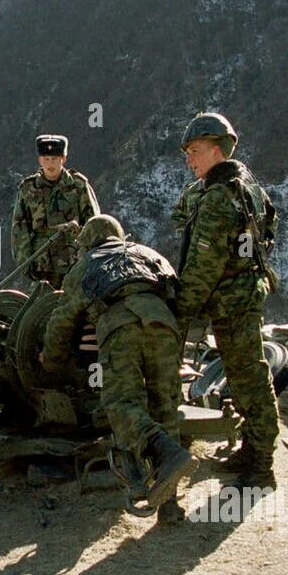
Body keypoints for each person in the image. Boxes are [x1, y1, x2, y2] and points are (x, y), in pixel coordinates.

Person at [40, 214, 196, 517]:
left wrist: (52, 359)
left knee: (122, 403)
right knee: (165, 406)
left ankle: (166, 452)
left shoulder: (86, 266)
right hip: (165, 328)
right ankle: (170, 505)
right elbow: (180, 297)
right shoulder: (149, 255)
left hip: (120, 331)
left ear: (87, 243)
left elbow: (63, 319)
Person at [173, 112, 281, 490]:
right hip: (244, 292)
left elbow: (203, 267)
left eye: (196, 151)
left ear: (217, 151)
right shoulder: (246, 184)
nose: (189, 160)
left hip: (232, 302)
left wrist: (179, 311)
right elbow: (270, 226)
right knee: (246, 375)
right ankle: (253, 451)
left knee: (250, 379)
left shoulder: (219, 197)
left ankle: (262, 466)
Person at [10, 134, 100, 289]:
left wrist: (90, 259)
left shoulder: (78, 186)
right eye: (46, 159)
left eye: (54, 159)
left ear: (63, 159)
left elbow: (94, 223)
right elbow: (19, 230)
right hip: (42, 267)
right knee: (40, 310)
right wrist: (26, 264)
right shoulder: (28, 189)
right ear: (39, 160)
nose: (50, 164)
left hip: (75, 264)